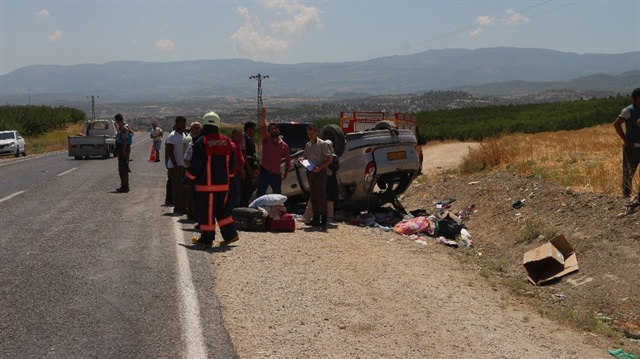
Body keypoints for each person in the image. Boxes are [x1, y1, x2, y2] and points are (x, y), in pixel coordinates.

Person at [186, 111, 239, 248]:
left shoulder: (201, 142)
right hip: (223, 186)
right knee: (222, 211)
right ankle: (230, 235)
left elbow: (196, 164)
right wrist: (230, 180)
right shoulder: (227, 142)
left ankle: (207, 239)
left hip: (206, 186)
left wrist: (187, 180)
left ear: (204, 125)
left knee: (206, 211)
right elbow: (231, 164)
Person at [298, 124, 333, 228]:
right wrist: (301, 158)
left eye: (312, 133)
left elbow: (329, 159)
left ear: (316, 132)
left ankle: (324, 219)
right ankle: (316, 218)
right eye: (309, 134)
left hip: (320, 172)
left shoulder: (322, 144)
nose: (310, 136)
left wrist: (320, 167)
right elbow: (305, 155)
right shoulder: (308, 145)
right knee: (313, 195)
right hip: (311, 172)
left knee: (321, 195)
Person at [301, 139, 339, 224]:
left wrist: (328, 162)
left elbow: (335, 168)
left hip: (330, 181)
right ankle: (311, 218)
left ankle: (327, 220)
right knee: (315, 198)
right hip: (320, 179)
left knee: (329, 201)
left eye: (328, 147)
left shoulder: (334, 157)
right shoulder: (319, 155)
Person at [613, 87, 640, 205]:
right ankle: (626, 195)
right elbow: (617, 124)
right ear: (636, 99)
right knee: (628, 171)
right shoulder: (628, 110)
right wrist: (625, 139)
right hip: (632, 147)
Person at [256, 107, 291, 197]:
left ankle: (277, 211)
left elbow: (288, 160)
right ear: (270, 131)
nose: (274, 130)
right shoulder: (266, 140)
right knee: (260, 194)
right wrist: (263, 115)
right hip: (264, 173)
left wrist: (286, 172)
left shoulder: (284, 146)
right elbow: (262, 127)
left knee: (277, 195)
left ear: (278, 130)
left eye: (275, 128)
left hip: (276, 175)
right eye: (272, 129)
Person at [166, 116, 188, 214]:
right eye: (180, 123)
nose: (182, 125)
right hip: (175, 167)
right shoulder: (172, 136)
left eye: (184, 123)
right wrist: (175, 166)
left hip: (182, 166)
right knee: (177, 188)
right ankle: (178, 207)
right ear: (176, 124)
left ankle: (182, 206)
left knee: (182, 187)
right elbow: (170, 152)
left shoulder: (184, 135)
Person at [184, 121, 202, 221]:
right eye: (196, 128)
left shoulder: (198, 142)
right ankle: (192, 214)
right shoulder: (191, 142)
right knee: (193, 195)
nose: (198, 130)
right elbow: (186, 159)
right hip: (192, 172)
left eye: (199, 128)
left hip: (196, 173)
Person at [240, 121, 259, 207]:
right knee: (247, 188)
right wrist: (248, 166)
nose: (255, 132)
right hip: (246, 168)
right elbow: (243, 152)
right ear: (249, 130)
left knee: (251, 188)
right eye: (254, 130)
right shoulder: (244, 138)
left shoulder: (250, 141)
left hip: (251, 167)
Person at [228, 127, 246, 211]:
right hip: (233, 175)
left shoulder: (237, 145)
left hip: (237, 174)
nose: (239, 137)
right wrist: (241, 171)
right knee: (234, 197)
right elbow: (234, 162)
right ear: (232, 135)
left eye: (241, 136)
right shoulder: (232, 145)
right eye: (237, 135)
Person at [114, 113, 132, 193]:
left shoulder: (124, 128)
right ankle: (124, 185)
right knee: (123, 167)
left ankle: (125, 186)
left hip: (123, 147)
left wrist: (124, 150)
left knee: (123, 168)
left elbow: (124, 140)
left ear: (117, 120)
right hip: (123, 147)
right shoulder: (124, 126)